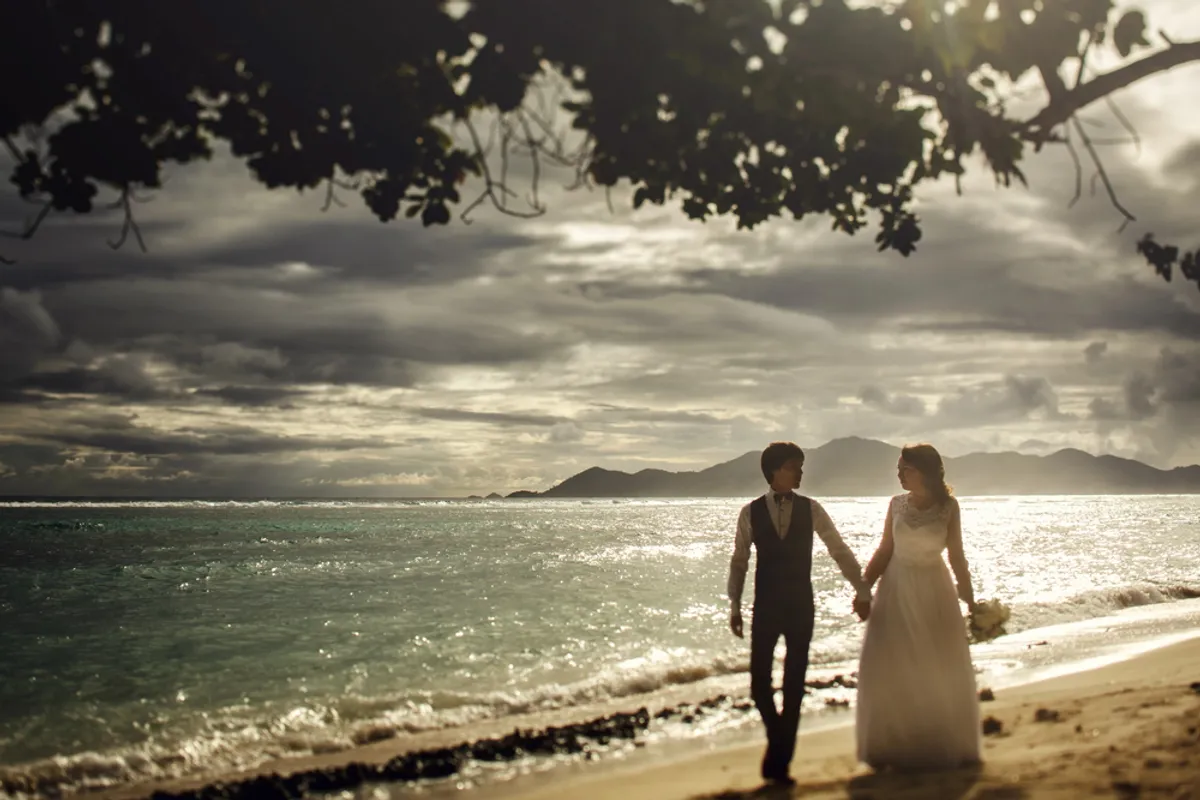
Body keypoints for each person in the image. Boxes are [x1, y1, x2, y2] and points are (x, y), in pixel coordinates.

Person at [727, 441, 871, 785]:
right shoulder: (749, 512)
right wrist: (734, 604)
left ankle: (780, 763)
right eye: (795, 466)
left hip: (801, 607)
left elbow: (839, 550)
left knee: (794, 685)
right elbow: (739, 561)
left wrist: (862, 588)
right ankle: (779, 743)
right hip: (765, 607)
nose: (801, 472)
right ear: (776, 470)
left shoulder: (812, 509)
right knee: (759, 684)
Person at [855, 443, 982, 770]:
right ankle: (894, 743)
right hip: (896, 588)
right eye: (898, 468)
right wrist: (863, 587)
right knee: (896, 664)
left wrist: (970, 600)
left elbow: (956, 556)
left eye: (905, 469)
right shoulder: (896, 505)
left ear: (924, 471)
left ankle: (935, 740)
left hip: (934, 591)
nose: (899, 474)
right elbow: (884, 551)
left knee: (935, 664)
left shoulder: (949, 507)